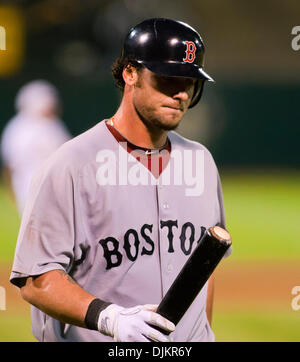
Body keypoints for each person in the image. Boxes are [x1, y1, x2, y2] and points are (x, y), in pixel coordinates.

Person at [10, 18, 231, 342]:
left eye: (189, 80)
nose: (181, 92)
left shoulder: (202, 162)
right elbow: (35, 279)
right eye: (167, 78)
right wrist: (108, 317)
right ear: (130, 73)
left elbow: (204, 267)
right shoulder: (72, 163)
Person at [1, 80, 71, 215]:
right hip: (40, 186)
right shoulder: (49, 126)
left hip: (28, 187)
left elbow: (8, 167)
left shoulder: (14, 127)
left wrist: (11, 192)